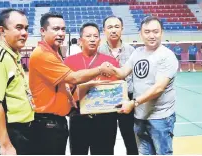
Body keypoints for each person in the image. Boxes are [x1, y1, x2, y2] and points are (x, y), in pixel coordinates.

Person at [28, 12, 114, 155]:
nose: (61, 33)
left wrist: (67, 94)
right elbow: (73, 78)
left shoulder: (54, 52)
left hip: (62, 120)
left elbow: (61, 82)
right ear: (42, 31)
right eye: (56, 29)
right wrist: (100, 69)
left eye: (63, 29)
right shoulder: (43, 54)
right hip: (48, 122)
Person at [111, 16, 178, 155]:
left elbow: (158, 88)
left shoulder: (167, 56)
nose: (151, 35)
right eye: (147, 32)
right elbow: (122, 72)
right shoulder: (137, 52)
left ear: (162, 32)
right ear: (140, 34)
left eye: (155, 31)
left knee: (163, 153)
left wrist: (134, 103)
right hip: (140, 117)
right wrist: (105, 68)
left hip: (160, 118)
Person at [0, 9, 35, 155]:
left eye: (26, 28)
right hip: (5, 134)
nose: (24, 33)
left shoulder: (12, 54)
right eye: (19, 27)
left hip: (17, 131)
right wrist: (6, 145)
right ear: (2, 30)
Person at [64, 22, 119, 155]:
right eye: (88, 36)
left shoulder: (110, 62)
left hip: (105, 118)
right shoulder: (69, 61)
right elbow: (65, 88)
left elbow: (116, 89)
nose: (93, 39)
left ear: (100, 41)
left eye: (95, 36)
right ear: (80, 41)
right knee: (78, 152)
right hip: (79, 116)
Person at [98, 15, 138, 155]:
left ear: (122, 29)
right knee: (106, 141)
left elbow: (136, 78)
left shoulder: (132, 51)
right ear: (104, 30)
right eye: (109, 27)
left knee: (131, 140)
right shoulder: (98, 51)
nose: (113, 30)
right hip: (106, 101)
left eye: (116, 27)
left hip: (127, 100)